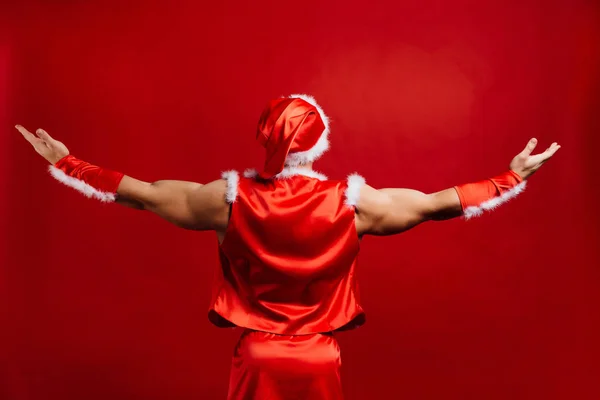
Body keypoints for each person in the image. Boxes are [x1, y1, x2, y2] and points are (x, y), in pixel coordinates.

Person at [16, 94, 560, 399]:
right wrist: (510, 179)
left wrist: (67, 163)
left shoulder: (224, 201)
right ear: (321, 140)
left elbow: (146, 195)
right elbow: (435, 203)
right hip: (320, 355)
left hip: (257, 353)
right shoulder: (355, 202)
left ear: (266, 138)